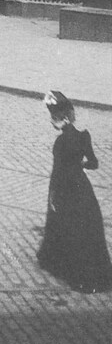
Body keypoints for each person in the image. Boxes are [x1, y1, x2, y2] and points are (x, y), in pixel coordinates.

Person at [37, 91, 112, 293]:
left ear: (60, 120)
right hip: (82, 186)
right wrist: (81, 165)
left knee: (66, 225)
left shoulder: (60, 143)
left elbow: (57, 172)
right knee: (87, 227)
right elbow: (94, 164)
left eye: (54, 118)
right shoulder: (83, 136)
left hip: (65, 187)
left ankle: (68, 268)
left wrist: (53, 195)